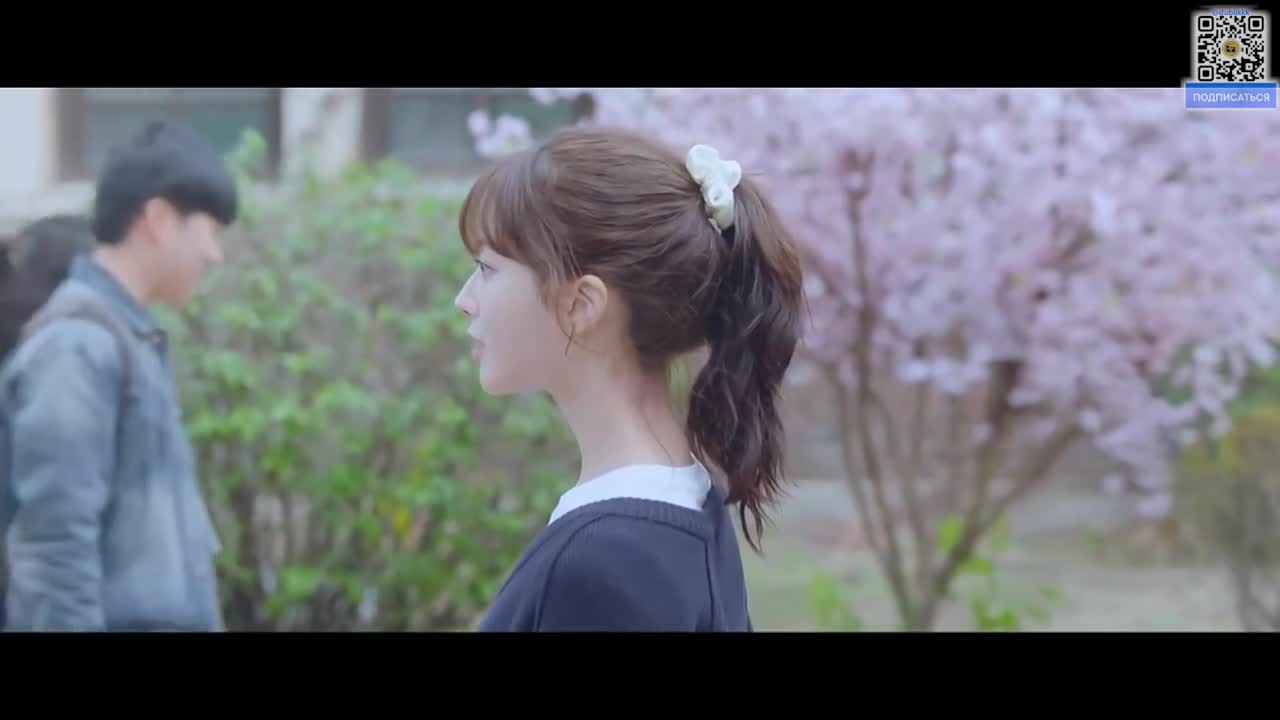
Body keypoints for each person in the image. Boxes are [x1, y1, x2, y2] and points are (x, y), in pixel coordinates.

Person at [455, 126, 805, 631]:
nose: (464, 300)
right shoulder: (683, 506)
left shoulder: (602, 563)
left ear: (582, 304)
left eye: (487, 269)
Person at [0, 120, 235, 631]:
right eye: (209, 232)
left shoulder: (127, 339)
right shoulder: (77, 347)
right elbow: (55, 551)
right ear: (159, 219)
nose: (213, 255)